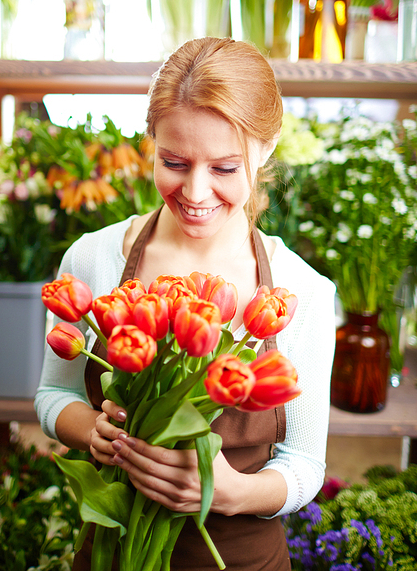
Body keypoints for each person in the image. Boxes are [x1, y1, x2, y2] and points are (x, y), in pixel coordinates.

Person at [35, 37, 336, 571]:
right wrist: (93, 433)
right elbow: (52, 396)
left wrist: (229, 492)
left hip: (240, 557)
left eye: (225, 168)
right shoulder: (94, 260)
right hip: (110, 554)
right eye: (174, 161)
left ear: (265, 148)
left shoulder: (303, 291)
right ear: (151, 139)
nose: (196, 192)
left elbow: (305, 465)